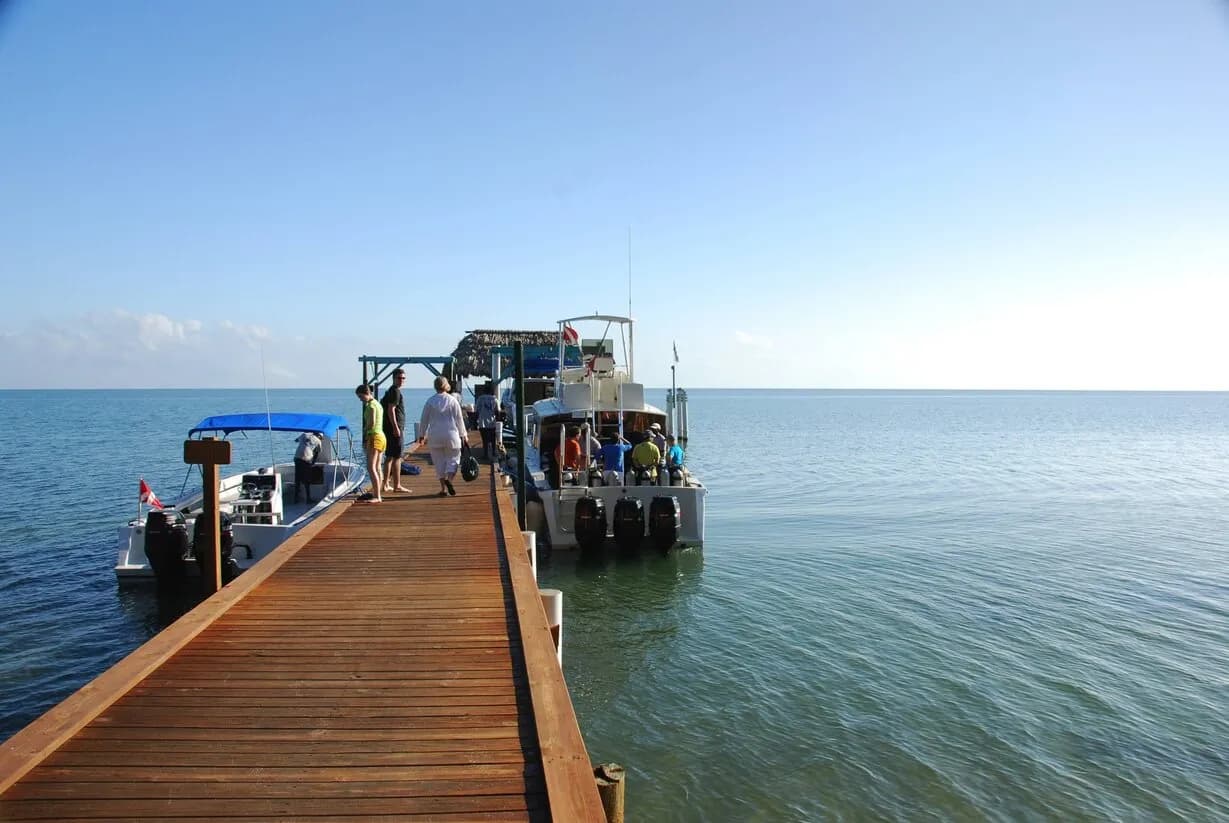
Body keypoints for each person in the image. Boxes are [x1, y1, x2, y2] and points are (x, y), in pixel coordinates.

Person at [418, 375, 467, 497]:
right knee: (454, 459)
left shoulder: (430, 401)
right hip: (451, 435)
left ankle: (443, 489)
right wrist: (464, 434)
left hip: (435, 435)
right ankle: (449, 480)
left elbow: (424, 420)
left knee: (439, 462)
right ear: (446, 386)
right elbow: (459, 419)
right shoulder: (453, 400)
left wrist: (421, 435)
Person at [381, 368, 411, 494]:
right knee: (397, 457)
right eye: (399, 378)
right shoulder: (395, 392)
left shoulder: (391, 391)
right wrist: (396, 427)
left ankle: (386, 484)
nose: (401, 380)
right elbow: (391, 410)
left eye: (403, 378)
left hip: (390, 429)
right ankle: (396, 485)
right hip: (394, 429)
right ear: (393, 378)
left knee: (390, 457)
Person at [355, 384, 384, 503]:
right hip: (381, 436)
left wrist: (365, 434)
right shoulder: (378, 404)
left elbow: (371, 424)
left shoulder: (371, 406)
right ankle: (378, 492)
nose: (361, 400)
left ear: (367, 393)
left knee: (371, 467)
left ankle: (377, 496)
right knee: (377, 467)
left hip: (373, 436)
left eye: (361, 397)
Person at [292, 430, 322, 503]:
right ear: (319, 436)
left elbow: (296, 440)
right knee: (307, 479)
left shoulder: (304, 434)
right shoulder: (319, 441)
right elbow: (317, 453)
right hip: (306, 459)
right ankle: (308, 499)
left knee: (297, 478)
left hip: (297, 458)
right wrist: (313, 463)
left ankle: (295, 499)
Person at [475, 382, 501, 462]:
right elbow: (498, 411)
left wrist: (476, 420)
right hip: (492, 422)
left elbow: (477, 410)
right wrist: (497, 418)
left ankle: (485, 454)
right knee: (493, 438)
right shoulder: (495, 399)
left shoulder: (480, 398)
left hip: (482, 422)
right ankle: (493, 452)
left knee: (484, 439)